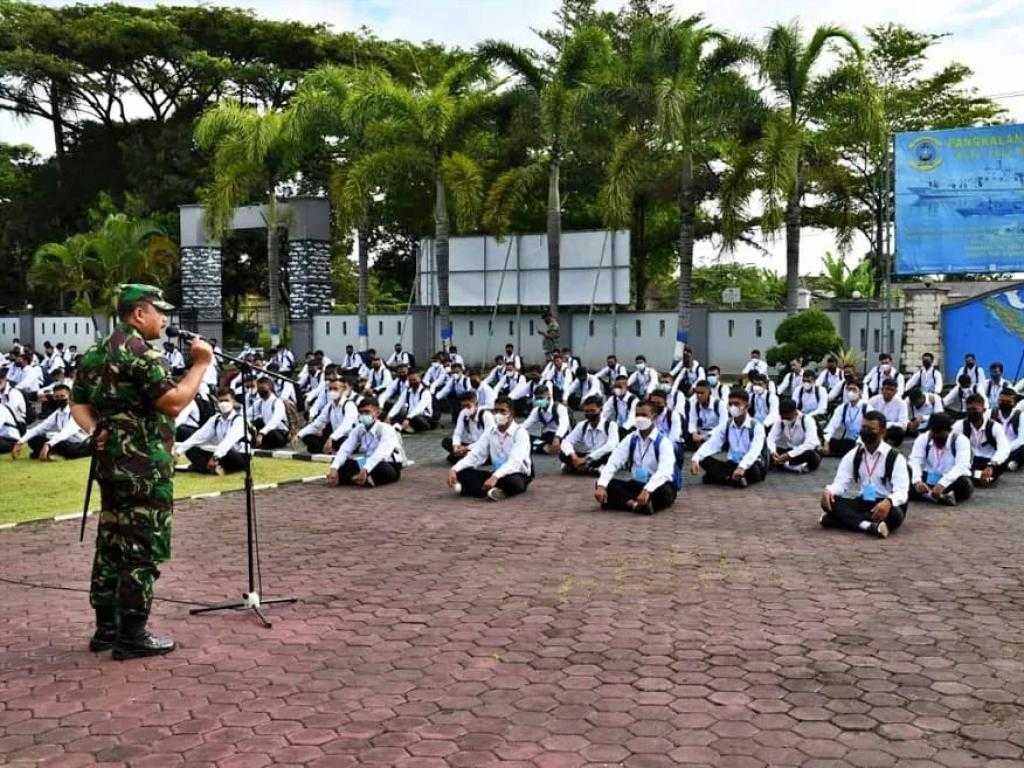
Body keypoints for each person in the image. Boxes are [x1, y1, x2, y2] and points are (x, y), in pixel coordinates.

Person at [71, 283, 214, 659]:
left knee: (111, 544)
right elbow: (174, 402)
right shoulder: (143, 355)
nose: (164, 318)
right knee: (141, 549)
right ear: (138, 314)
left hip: (110, 468)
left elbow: (78, 403)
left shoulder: (95, 354)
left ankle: (106, 629)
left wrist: (94, 430)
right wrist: (200, 364)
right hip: (145, 470)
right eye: (159, 311)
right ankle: (132, 635)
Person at [819, 410, 909, 539]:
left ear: (882, 432)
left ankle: (840, 520)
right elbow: (840, 484)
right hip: (866, 499)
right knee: (831, 502)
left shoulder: (895, 458)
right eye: (863, 427)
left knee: (895, 515)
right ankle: (868, 526)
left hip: (887, 503)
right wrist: (829, 491)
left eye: (870, 429)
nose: (865, 431)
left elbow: (902, 492)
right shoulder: (854, 454)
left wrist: (889, 501)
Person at [595, 400, 677, 515]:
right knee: (603, 484)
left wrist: (647, 489)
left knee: (664, 493)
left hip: (656, 486)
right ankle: (635, 505)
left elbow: (665, 471)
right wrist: (602, 486)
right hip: (636, 484)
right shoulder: (631, 438)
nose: (639, 418)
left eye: (644, 415)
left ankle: (625, 502)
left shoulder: (664, 442)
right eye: (637, 415)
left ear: (653, 417)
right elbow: (613, 462)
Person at [449, 396, 533, 501]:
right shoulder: (491, 431)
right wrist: (454, 469)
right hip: (496, 473)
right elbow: (476, 454)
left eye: (502, 411)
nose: (498, 414)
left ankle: (489, 490)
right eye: (496, 411)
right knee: (462, 473)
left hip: (517, 473)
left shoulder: (520, 433)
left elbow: (514, 462)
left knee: (513, 482)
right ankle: (494, 491)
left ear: (512, 413)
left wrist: (495, 477)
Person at [690, 388, 768, 488]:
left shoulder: (756, 426)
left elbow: (754, 451)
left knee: (754, 471)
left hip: (751, 464)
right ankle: (734, 479)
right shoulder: (726, 425)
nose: (732, 407)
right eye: (730, 404)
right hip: (732, 464)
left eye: (736, 404)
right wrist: (695, 459)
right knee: (704, 459)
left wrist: (742, 467)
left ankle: (724, 478)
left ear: (747, 406)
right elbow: (713, 443)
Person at [328, 398, 404, 488]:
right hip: (366, 461)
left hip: (388, 464)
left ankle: (355, 478)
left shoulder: (386, 429)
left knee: (382, 468)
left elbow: (382, 453)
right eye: (361, 412)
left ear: (377, 413)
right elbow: (346, 448)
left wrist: (366, 469)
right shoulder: (359, 429)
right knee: (345, 465)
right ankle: (361, 479)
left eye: (367, 412)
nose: (363, 415)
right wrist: (334, 467)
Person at [174, 388, 249, 474]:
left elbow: (228, 441)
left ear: (233, 402)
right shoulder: (215, 419)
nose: (224, 404)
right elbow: (199, 436)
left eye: (226, 400)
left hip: (239, 455)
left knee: (227, 450)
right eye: (221, 401)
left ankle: (208, 467)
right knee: (192, 449)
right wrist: (178, 451)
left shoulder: (239, 420)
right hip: (221, 454)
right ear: (217, 402)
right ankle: (213, 469)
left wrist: (215, 457)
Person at [908, 413, 973, 506]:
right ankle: (941, 497)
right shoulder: (923, 438)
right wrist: (917, 481)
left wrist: (942, 484)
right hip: (928, 480)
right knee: (905, 473)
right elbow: (915, 460)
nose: (936, 436)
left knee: (965, 484)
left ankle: (928, 496)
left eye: (940, 433)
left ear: (949, 430)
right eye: (933, 432)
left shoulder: (961, 440)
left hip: (950, 481)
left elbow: (962, 466)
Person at [13, 384, 92, 460]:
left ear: (70, 397)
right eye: (57, 397)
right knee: (34, 439)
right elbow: (39, 428)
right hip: (66, 442)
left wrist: (48, 444)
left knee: (61, 444)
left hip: (82, 444)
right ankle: (51, 453)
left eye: (62, 396)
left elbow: (66, 432)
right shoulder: (57, 413)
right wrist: (20, 442)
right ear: (53, 397)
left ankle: (51, 453)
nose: (59, 399)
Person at [953, 394, 1010, 486]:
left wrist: (991, 465)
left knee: (1003, 461)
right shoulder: (960, 425)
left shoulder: (995, 426)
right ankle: (976, 477)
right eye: (969, 410)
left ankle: (973, 477)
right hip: (970, 461)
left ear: (983, 410)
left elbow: (1004, 449)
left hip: (990, 462)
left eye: (974, 409)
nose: (971, 412)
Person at [560, 395, 620, 475]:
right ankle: (588, 468)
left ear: (600, 410)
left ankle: (577, 468)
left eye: (592, 410)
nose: (589, 413)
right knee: (563, 453)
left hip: (599, 457)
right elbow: (566, 442)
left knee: (612, 454)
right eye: (587, 411)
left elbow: (611, 446)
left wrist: (586, 459)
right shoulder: (582, 425)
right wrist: (574, 457)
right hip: (586, 456)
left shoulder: (611, 425)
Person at [296, 378, 358, 454]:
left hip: (347, 438)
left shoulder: (349, 405)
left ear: (343, 389)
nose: (332, 391)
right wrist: (298, 435)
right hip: (334, 439)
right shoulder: (329, 406)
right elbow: (317, 424)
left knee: (344, 442)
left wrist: (331, 438)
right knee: (308, 437)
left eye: (335, 389)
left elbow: (347, 426)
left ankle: (329, 450)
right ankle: (328, 450)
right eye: (330, 389)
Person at [767, 398, 821, 473]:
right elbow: (770, 438)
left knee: (811, 455)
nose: (785, 420)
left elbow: (810, 443)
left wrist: (789, 455)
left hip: (802, 451)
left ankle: (785, 465)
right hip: (788, 450)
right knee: (767, 451)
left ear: (795, 412)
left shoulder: (807, 420)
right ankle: (794, 467)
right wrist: (773, 452)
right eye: (782, 417)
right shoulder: (780, 421)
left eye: (787, 417)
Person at [442, 390, 495, 465]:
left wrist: (467, 448)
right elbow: (457, 433)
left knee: (453, 458)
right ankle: (466, 457)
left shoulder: (486, 415)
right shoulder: (463, 413)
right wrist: (456, 446)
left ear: (476, 404)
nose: (465, 409)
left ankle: (465, 457)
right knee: (446, 442)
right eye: (463, 406)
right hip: (468, 445)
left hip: (482, 446)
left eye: (468, 406)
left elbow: (486, 439)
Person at [522, 385, 572, 454]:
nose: (539, 401)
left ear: (548, 397)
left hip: (561, 435)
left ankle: (542, 447)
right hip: (547, 435)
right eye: (537, 398)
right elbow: (527, 423)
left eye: (541, 398)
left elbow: (564, 425)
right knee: (524, 438)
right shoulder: (537, 410)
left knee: (564, 444)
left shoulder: (560, 408)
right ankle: (545, 447)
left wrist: (557, 437)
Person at [823, 381, 868, 457]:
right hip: (848, 440)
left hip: (862, 439)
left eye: (854, 389)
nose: (851, 392)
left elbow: (868, 431)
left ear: (860, 392)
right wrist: (826, 442)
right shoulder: (843, 407)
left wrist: (859, 443)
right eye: (849, 389)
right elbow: (832, 425)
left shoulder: (867, 408)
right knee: (824, 441)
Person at [687, 379, 727, 451]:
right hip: (701, 434)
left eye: (702, 393)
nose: (699, 395)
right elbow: (692, 421)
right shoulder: (695, 404)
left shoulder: (719, 404)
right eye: (697, 393)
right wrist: (694, 433)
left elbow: (723, 425)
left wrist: (705, 436)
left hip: (714, 434)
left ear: (709, 393)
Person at [252, 376, 289, 449]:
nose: (260, 391)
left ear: (270, 387)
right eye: (258, 388)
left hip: (279, 433)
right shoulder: (259, 402)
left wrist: (261, 433)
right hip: (265, 432)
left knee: (272, 433)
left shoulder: (277, 402)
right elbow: (247, 414)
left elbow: (275, 421)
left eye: (262, 388)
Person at [992, 387, 1024, 471]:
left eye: (1008, 402)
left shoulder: (1020, 416)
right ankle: (1011, 463)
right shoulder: (991, 414)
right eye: (1002, 401)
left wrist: (1005, 449)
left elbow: (1021, 440)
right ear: (998, 400)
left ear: (1014, 403)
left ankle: (1007, 462)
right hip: (995, 449)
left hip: (1012, 449)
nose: (1004, 404)